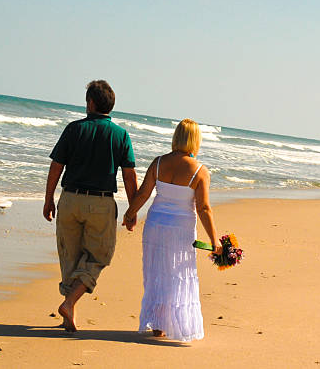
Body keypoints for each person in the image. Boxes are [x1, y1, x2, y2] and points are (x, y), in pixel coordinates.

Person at [42, 80, 137, 332]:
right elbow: (129, 175)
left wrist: (48, 197)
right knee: (99, 255)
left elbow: (56, 166)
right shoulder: (120, 135)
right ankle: (70, 303)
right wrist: (132, 209)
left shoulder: (74, 129)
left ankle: (68, 309)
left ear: (91, 103)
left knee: (69, 257)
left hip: (71, 198)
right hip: (101, 202)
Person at [122, 118, 221, 341]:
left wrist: (130, 215)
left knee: (156, 271)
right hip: (181, 227)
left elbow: (144, 194)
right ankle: (176, 324)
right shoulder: (200, 171)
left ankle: (158, 324)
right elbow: (204, 208)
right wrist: (214, 240)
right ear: (196, 140)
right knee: (177, 273)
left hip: (156, 224)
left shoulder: (158, 163)